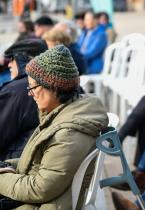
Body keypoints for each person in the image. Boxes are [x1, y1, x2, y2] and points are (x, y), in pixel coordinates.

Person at [0, 45, 108, 209]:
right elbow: (39, 164)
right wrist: (6, 166)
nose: (30, 93)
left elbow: (39, 189)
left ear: (53, 88)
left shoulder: (68, 133)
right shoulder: (63, 112)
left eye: (33, 87)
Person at [0, 39, 48, 161]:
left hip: (17, 163)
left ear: (23, 60)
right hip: (40, 157)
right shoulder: (57, 84)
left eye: (12, 59)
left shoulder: (15, 91)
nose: (9, 65)